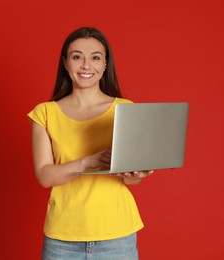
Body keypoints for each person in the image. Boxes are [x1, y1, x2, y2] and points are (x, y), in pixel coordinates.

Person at [28, 27, 153, 260]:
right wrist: (88, 161)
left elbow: (131, 180)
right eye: (77, 57)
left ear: (105, 64)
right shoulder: (44, 113)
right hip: (62, 239)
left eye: (95, 57)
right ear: (65, 63)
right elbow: (45, 176)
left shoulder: (125, 109)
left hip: (117, 235)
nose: (86, 65)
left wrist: (138, 172)